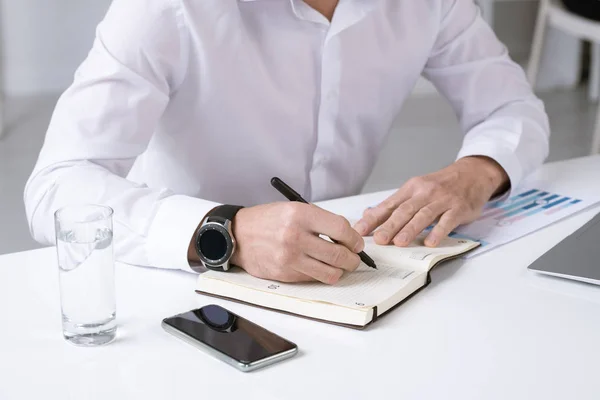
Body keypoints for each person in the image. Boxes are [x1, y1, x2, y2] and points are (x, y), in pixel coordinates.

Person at [24, 0, 550, 285]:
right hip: (175, 275)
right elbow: (56, 186)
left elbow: (513, 107)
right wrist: (225, 231)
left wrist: (476, 172)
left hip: (334, 282)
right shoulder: (166, 8)